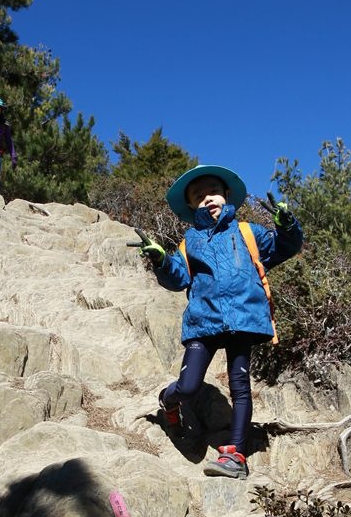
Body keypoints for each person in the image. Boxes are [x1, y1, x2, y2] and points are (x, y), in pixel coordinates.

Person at [130, 164, 303, 479]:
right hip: (204, 320)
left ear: (226, 195)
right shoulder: (189, 242)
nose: (207, 198)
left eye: (212, 191)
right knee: (187, 386)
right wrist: (161, 261)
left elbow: (285, 247)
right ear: (191, 206)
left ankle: (236, 455)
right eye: (198, 196)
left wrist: (288, 226)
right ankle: (167, 402)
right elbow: (178, 278)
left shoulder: (249, 232)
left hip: (243, 318)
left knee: (240, 387)